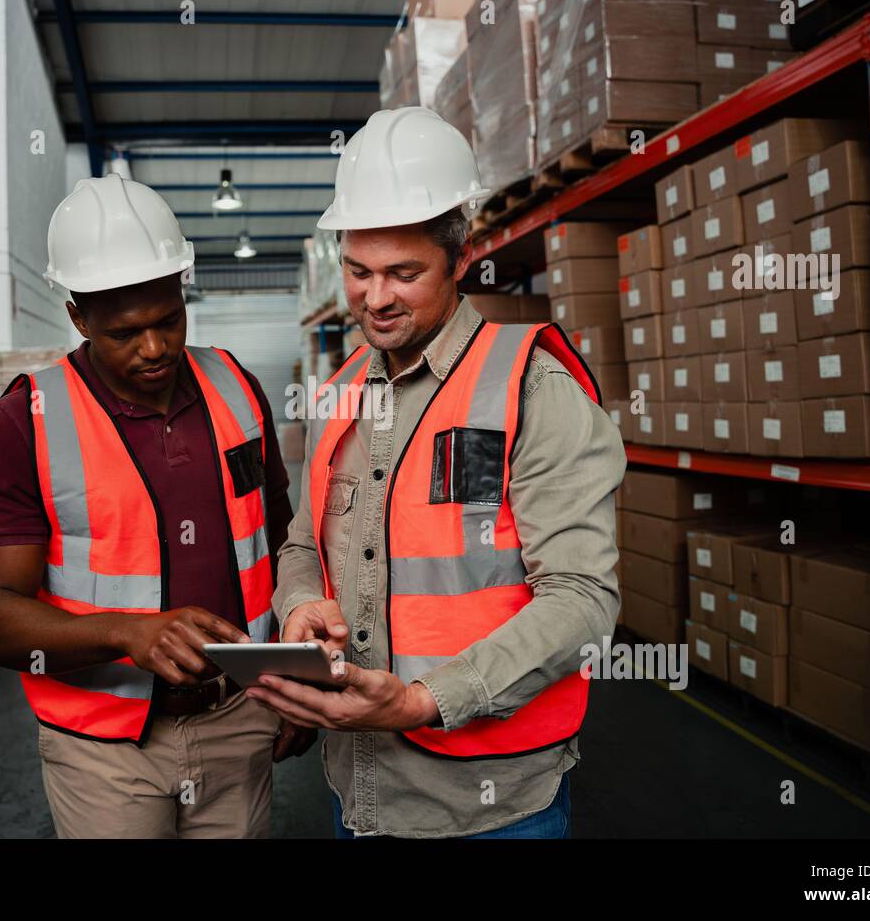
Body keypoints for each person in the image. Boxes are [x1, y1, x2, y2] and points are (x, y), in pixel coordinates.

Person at [247, 107, 626, 838]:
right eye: (357, 272)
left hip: (492, 805)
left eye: (403, 273)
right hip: (358, 789)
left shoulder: (532, 389)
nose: (376, 298)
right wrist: (299, 609)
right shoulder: (339, 398)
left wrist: (424, 698)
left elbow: (583, 599)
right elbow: (301, 547)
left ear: (461, 255)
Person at [0, 174, 312, 839]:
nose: (155, 348)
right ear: (78, 316)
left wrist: (291, 680)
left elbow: (281, 543)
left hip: (238, 720)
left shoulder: (236, 387)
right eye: (125, 332)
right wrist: (128, 632)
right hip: (104, 749)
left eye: (168, 320)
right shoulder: (25, 421)